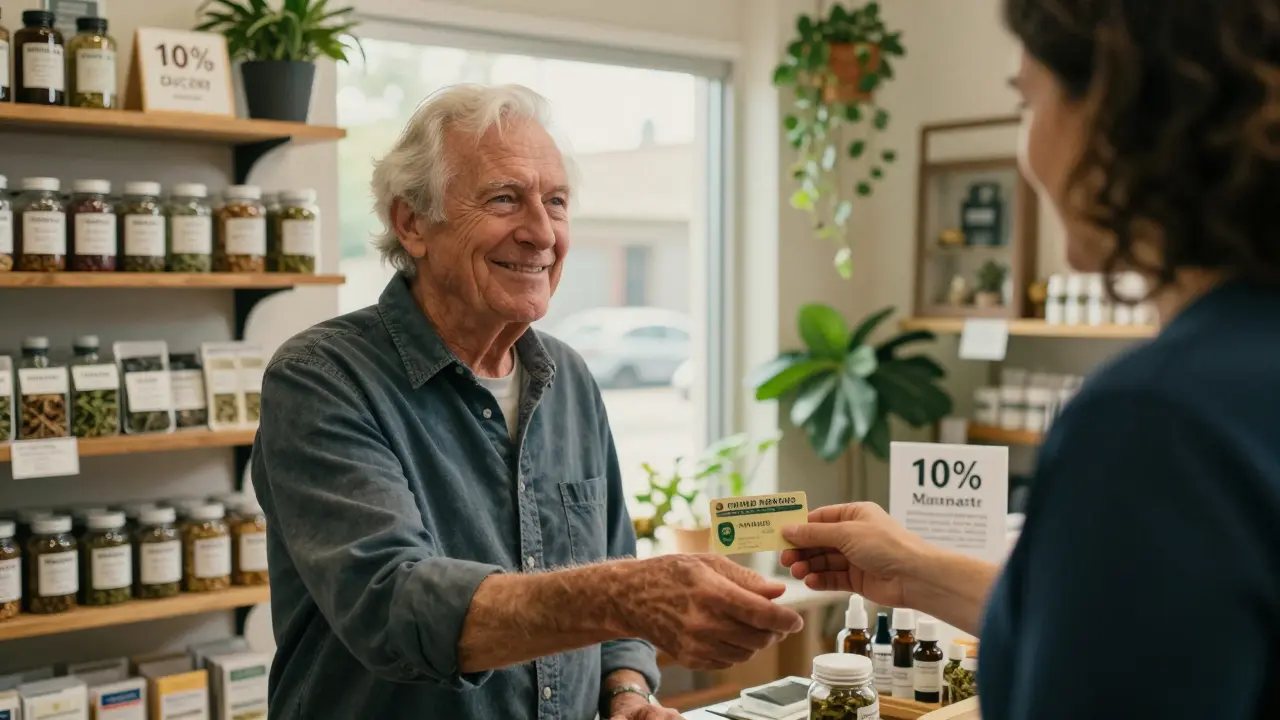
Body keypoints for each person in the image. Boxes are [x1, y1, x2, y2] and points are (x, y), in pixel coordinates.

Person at [782, 1, 1280, 718]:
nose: (1028, 149)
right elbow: (1133, 633)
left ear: (1115, 110)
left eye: (1027, 102)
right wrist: (919, 573)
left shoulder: (1156, 422)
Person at [251, 83, 803, 720]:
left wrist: (627, 688)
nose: (542, 233)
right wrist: (624, 595)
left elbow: (612, 563)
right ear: (411, 222)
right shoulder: (321, 377)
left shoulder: (567, 377)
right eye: (504, 199)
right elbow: (392, 608)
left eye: (557, 202)